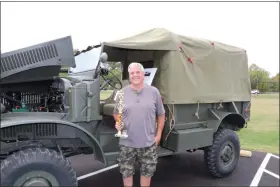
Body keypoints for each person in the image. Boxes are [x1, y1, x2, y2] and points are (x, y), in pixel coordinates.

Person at [113, 62, 165, 187]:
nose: (135, 75)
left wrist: (158, 136)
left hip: (148, 143)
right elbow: (116, 113)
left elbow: (161, 115)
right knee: (126, 173)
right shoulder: (121, 93)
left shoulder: (154, 92)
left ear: (143, 74)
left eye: (137, 72)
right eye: (132, 73)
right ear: (129, 75)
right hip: (127, 143)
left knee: (147, 173)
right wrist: (119, 122)